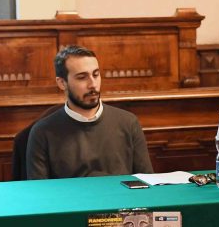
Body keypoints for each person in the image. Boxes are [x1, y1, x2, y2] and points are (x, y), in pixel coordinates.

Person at [26, 45, 153, 179]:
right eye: (82, 77)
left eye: (96, 75)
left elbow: (148, 182)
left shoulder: (128, 122)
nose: (93, 84)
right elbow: (39, 190)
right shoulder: (42, 132)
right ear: (62, 83)